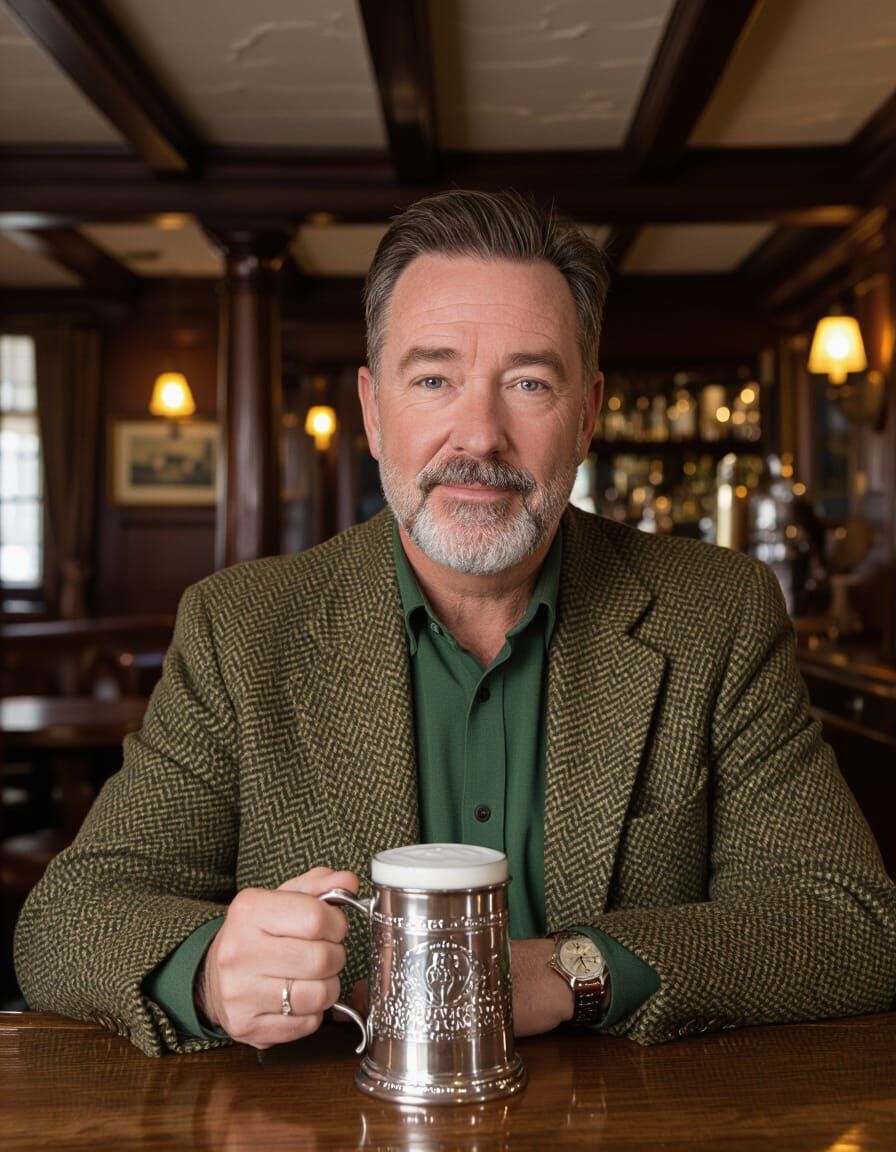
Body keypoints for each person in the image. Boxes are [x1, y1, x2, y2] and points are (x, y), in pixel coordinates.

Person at [15, 190, 896, 1057]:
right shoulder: (241, 628)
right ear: (373, 410)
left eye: (528, 383)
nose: (479, 434)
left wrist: (562, 972)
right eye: (434, 379)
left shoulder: (717, 613)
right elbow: (67, 922)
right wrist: (211, 972)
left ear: (586, 416)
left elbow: (849, 922)